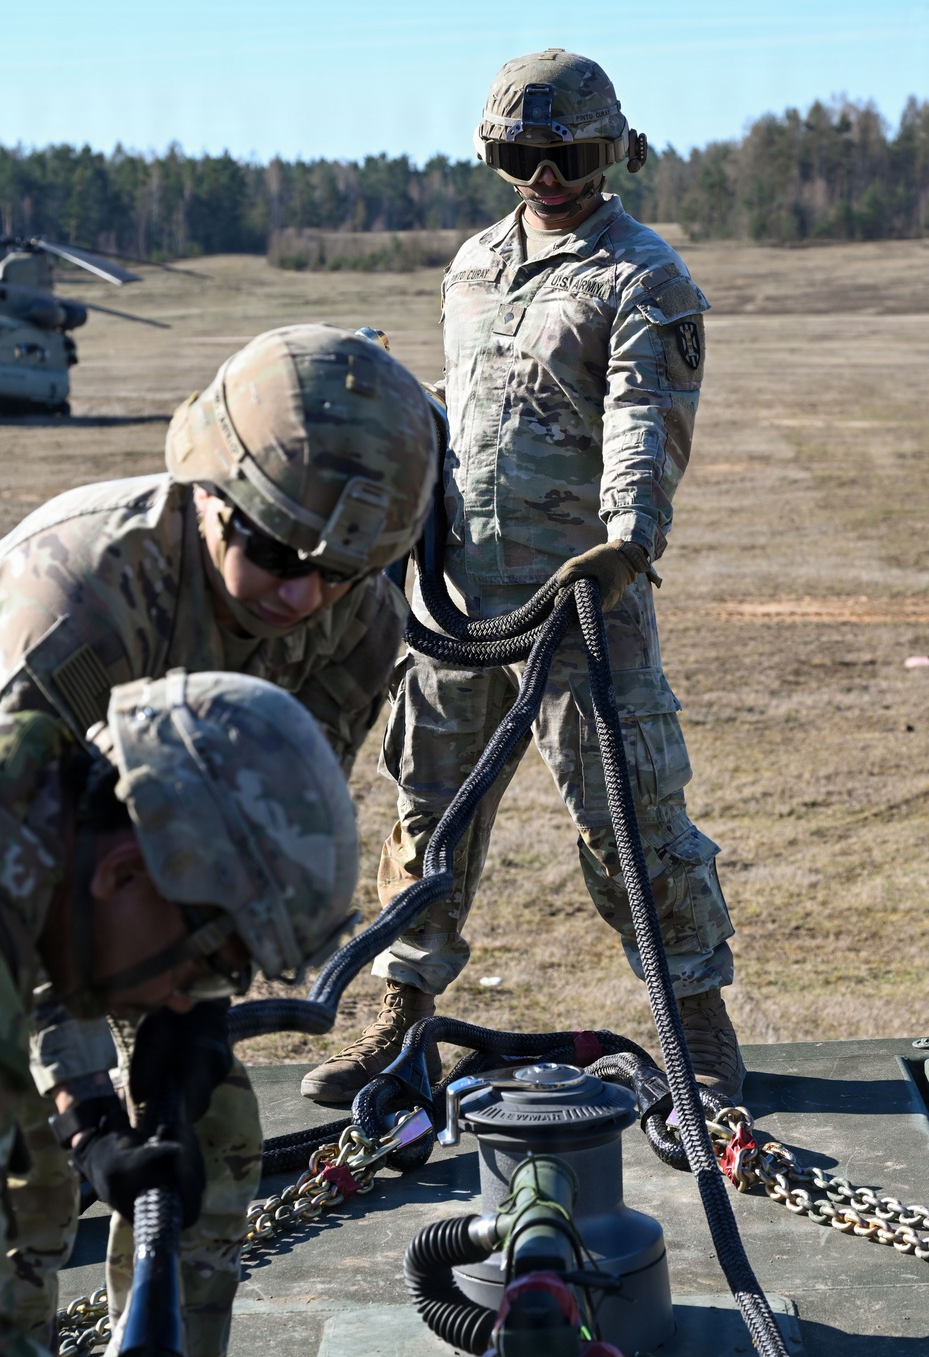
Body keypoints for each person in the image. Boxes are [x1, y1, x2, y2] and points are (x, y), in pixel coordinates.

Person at [0, 323, 436, 1357]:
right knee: (25, 1169)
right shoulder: (70, 613)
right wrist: (83, 1106)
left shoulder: (354, 622)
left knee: (211, 1131)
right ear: (208, 495)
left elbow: (263, 838)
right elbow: (3, 891)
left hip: (130, 876)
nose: (302, 596)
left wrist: (194, 1011)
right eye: (276, 554)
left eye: (341, 570)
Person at [303, 48, 742, 1108]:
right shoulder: (469, 266)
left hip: (583, 602)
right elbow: (460, 410)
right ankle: (402, 1020)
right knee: (426, 814)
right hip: (455, 605)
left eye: (569, 156)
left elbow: (645, 415)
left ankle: (696, 1029)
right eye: (518, 156)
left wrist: (628, 538)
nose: (545, 178)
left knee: (629, 820)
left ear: (612, 153)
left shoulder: (642, 274)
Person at [0, 669, 359, 1357]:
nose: (184, 996)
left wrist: (93, 1112)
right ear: (123, 874)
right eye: (207, 956)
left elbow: (27, 913)